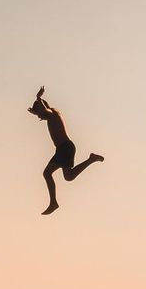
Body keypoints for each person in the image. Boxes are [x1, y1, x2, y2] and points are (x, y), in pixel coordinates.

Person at [28, 85, 104, 215]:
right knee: (68, 177)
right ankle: (91, 159)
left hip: (64, 148)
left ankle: (53, 203)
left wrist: (38, 98)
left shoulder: (52, 114)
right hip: (63, 149)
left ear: (43, 110)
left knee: (47, 173)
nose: (39, 117)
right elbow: (45, 108)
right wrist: (37, 108)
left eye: (39, 114)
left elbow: (45, 109)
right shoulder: (51, 115)